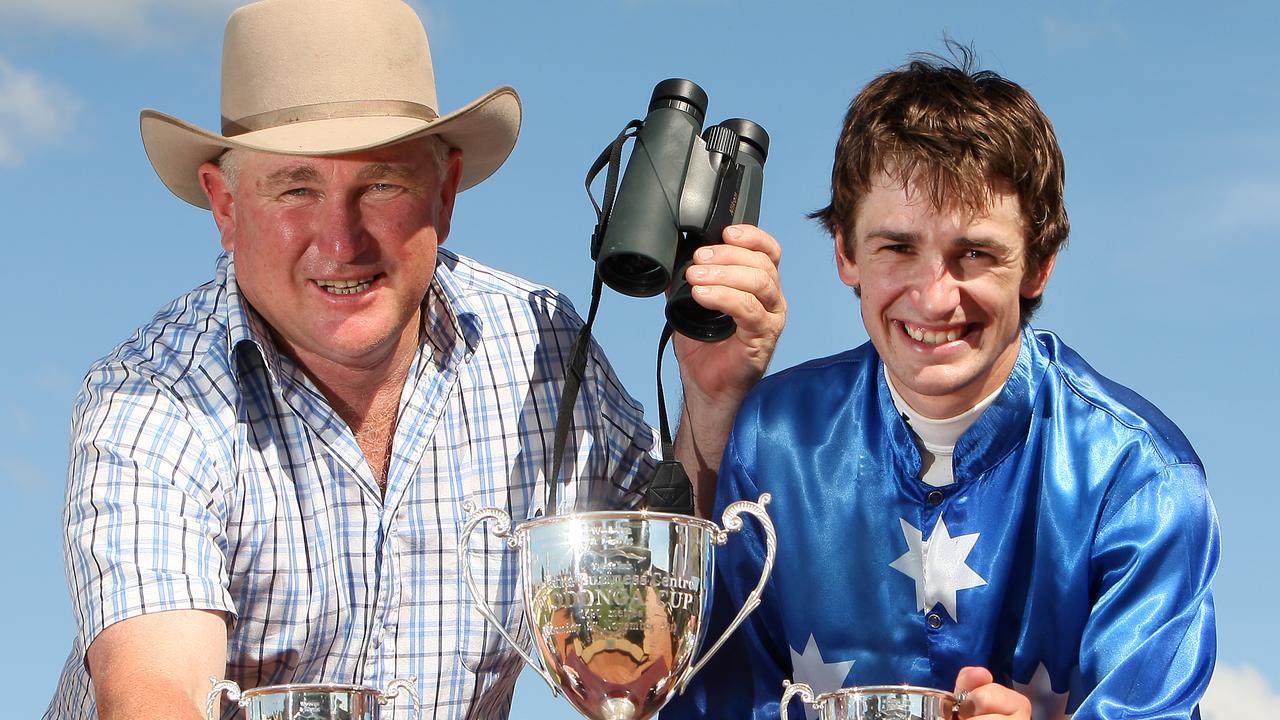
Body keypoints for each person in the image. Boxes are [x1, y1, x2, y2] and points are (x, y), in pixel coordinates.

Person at [44, 1, 784, 719]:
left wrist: (713, 397)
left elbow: (657, 603)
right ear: (226, 206)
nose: (340, 241)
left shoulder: (542, 349)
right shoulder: (148, 399)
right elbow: (154, 694)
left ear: (446, 191)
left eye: (382, 184)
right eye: (296, 187)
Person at [663, 52, 1218, 720]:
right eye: (897, 247)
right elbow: (705, 697)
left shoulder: (1140, 478)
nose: (932, 297)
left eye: (975, 254)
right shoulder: (773, 435)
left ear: (1039, 264)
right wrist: (714, 405)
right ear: (845, 253)